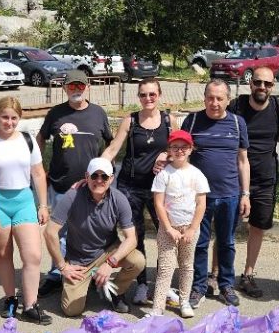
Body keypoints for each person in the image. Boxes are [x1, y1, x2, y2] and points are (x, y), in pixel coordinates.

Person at [37, 70, 112, 298]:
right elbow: (41, 138)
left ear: (87, 87)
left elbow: (111, 143)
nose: (76, 90)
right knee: (58, 233)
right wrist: (39, 164)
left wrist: (104, 171)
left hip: (93, 187)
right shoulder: (56, 114)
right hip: (60, 184)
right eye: (71, 86)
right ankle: (56, 275)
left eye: (80, 86)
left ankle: (91, 274)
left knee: (90, 231)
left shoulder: (98, 113)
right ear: (65, 88)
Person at [100, 78, 174, 305]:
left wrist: (167, 155)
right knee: (136, 236)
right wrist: (96, 171)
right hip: (130, 187)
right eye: (143, 95)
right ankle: (141, 284)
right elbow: (112, 149)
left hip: (159, 189)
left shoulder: (170, 121)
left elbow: (179, 149)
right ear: (139, 97)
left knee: (165, 236)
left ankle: (162, 284)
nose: (148, 99)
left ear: (159, 94)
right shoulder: (130, 121)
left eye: (152, 94)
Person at [44, 157, 146, 317]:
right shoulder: (72, 196)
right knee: (71, 310)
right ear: (87, 177)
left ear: (111, 178)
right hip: (80, 259)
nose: (99, 180)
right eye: (94, 176)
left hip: (108, 252)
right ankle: (88, 280)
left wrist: (110, 263)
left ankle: (116, 292)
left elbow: (131, 238)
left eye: (104, 176)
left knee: (138, 261)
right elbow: (50, 232)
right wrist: (62, 266)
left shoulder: (119, 199)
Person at [182, 80, 250, 309]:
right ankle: (199, 286)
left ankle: (226, 284)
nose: (214, 103)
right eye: (210, 98)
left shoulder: (237, 123)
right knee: (199, 244)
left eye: (220, 98)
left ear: (228, 100)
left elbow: (243, 160)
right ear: (204, 98)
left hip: (230, 194)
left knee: (227, 242)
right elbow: (182, 157)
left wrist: (245, 194)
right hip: (199, 197)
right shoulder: (192, 121)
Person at [222, 66, 279, 299]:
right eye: (258, 82)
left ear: (273, 86)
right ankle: (217, 274)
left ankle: (248, 275)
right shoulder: (236, 107)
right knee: (226, 226)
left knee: (257, 227)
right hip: (234, 176)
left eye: (267, 84)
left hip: (265, 177)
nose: (262, 87)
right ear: (250, 83)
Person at [0, 97, 52, 325]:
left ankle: (31, 304)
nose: (9, 122)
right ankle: (10, 299)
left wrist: (42, 204)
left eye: (14, 118)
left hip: (24, 199)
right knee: (4, 254)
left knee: (33, 255)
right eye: (5, 117)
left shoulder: (27, 140)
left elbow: (38, 173)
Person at [149, 130, 209, 318]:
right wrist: (167, 228)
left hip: (189, 229)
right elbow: (158, 202)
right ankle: (158, 308)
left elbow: (201, 204)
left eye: (184, 147)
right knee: (165, 268)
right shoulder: (164, 174)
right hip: (168, 228)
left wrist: (192, 229)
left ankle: (184, 301)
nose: (179, 151)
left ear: (191, 149)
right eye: (175, 147)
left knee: (186, 265)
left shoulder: (197, 174)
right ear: (169, 149)